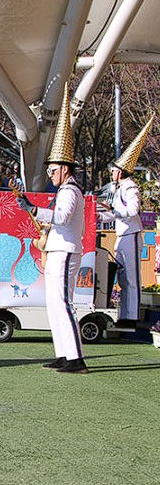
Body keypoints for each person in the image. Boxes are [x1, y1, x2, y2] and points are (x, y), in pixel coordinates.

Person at [16, 89, 87, 373]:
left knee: (63, 303)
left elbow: (62, 216)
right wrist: (32, 208)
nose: (50, 174)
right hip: (58, 250)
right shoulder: (64, 191)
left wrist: (33, 208)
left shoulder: (71, 191)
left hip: (66, 250)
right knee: (54, 303)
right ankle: (64, 353)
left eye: (54, 169)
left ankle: (76, 357)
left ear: (66, 169)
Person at [98, 114, 153, 328]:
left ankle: (132, 316)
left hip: (131, 234)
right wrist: (100, 217)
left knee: (131, 276)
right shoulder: (117, 188)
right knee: (122, 276)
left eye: (113, 169)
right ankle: (125, 314)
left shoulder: (130, 187)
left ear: (120, 171)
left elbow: (132, 209)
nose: (111, 172)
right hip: (122, 234)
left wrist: (112, 209)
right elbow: (115, 212)